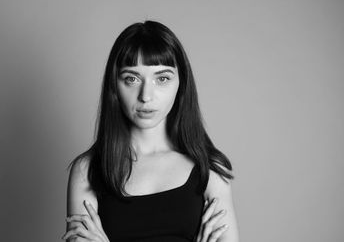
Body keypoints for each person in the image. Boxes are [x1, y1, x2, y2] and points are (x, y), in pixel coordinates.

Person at [62, 20, 239, 242]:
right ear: (114, 85)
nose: (146, 95)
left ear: (180, 84)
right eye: (132, 79)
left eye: (162, 78)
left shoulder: (210, 169)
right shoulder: (87, 171)